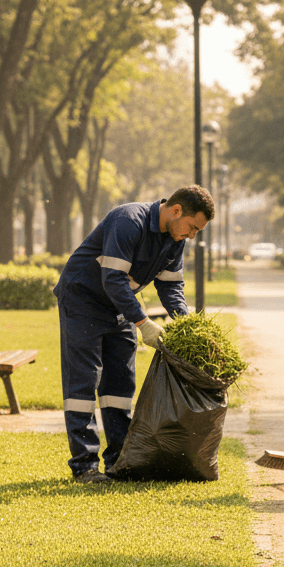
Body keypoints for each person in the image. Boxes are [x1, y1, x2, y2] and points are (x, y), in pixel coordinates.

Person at [54, 185, 214, 484]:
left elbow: (171, 288)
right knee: (85, 381)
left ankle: (119, 462)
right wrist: (143, 323)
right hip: (82, 300)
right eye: (192, 227)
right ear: (176, 210)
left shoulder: (174, 239)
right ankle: (84, 466)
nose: (192, 236)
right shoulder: (129, 220)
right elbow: (113, 279)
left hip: (118, 306)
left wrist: (188, 327)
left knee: (120, 384)